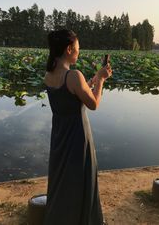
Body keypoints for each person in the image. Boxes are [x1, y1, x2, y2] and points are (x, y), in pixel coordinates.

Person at [43, 29, 112, 225]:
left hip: (59, 136)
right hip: (78, 137)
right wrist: (100, 79)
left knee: (62, 180)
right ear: (68, 49)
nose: (78, 52)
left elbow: (69, 96)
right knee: (81, 180)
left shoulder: (49, 74)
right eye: (78, 49)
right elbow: (94, 104)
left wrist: (89, 82)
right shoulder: (73, 75)